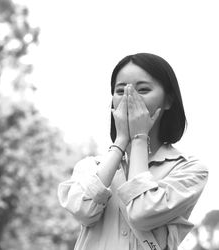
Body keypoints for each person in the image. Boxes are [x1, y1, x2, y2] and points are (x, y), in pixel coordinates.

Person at [57, 53, 208, 250]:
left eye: (143, 89)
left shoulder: (189, 170)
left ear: (169, 100)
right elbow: (83, 210)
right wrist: (121, 141)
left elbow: (141, 213)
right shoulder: (90, 167)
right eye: (120, 91)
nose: (130, 98)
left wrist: (139, 139)